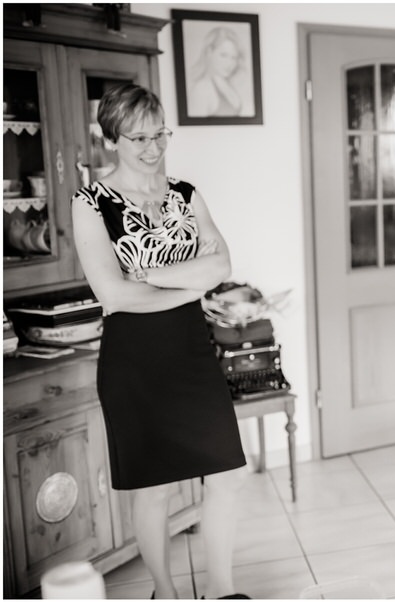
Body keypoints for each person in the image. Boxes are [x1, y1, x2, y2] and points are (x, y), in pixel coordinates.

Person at [71, 84, 250, 600]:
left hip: (192, 354)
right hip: (134, 361)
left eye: (160, 135)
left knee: (226, 476)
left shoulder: (186, 194)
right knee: (154, 491)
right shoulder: (90, 202)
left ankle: (221, 592)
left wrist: (148, 275)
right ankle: (165, 593)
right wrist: (190, 285)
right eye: (139, 138)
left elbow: (221, 264)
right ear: (111, 140)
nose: (153, 148)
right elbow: (113, 295)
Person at [188, 26, 246, 117]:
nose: (229, 63)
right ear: (209, 52)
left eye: (233, 57)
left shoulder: (226, 84)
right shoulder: (201, 89)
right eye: (223, 55)